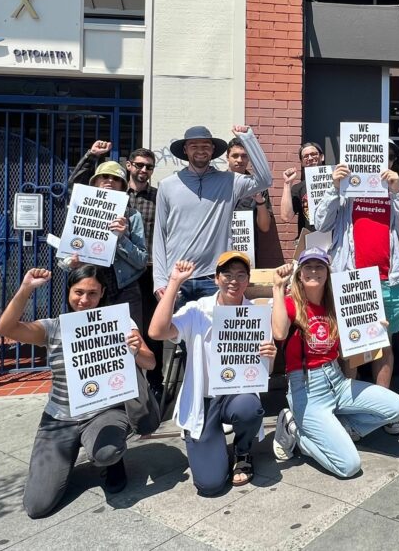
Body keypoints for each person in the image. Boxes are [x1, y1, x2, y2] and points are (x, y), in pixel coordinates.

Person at [0, 266, 155, 518]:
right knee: (37, 506)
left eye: (92, 293)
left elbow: (150, 363)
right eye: (78, 292)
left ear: (102, 292)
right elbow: (6, 329)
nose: (84, 299)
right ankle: (65, 458)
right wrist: (26, 288)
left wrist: (137, 350)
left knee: (106, 452)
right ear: (69, 291)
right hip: (59, 418)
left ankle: (111, 461)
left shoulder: (119, 322)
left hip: (103, 412)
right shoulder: (54, 327)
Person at [270, 248, 399, 477]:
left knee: (397, 407)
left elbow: (346, 352)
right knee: (349, 466)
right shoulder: (291, 303)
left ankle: (343, 429)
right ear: (300, 273)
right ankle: (296, 431)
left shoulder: (335, 305)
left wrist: (373, 331)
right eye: (308, 266)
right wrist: (276, 287)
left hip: (338, 382)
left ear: (327, 272)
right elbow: (280, 332)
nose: (314, 271)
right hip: (307, 389)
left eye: (320, 266)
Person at [148, 251, 276, 495]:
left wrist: (270, 355)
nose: (233, 280)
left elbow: (264, 372)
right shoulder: (197, 310)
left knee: (249, 409)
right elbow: (156, 331)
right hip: (203, 401)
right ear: (216, 279)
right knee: (210, 484)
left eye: (241, 275)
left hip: (236, 396)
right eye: (227, 274)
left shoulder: (255, 316)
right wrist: (174, 282)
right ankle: (207, 443)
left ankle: (242, 450)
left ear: (248, 281)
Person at [314, 141, 399, 435]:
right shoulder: (346, 191)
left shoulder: (394, 192)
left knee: (384, 345)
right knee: (352, 347)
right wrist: (334, 188)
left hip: (389, 281)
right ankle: (349, 409)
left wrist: (397, 192)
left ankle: (384, 410)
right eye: (377, 155)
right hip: (353, 281)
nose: (382, 161)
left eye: (389, 156)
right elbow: (320, 222)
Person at [152, 125, 271, 308]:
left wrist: (248, 138)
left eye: (206, 146)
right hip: (177, 278)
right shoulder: (168, 185)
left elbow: (264, 180)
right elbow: (160, 234)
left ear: (213, 150)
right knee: (176, 335)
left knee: (216, 335)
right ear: (185, 150)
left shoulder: (229, 181)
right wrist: (160, 279)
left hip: (214, 278)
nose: (201, 150)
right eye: (194, 146)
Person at [67, 144, 148, 330]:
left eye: (116, 179)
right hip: (89, 290)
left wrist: (121, 238)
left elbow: (142, 260)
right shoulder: (81, 210)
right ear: (95, 182)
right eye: (104, 177)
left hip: (125, 290)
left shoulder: (132, 215)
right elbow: (65, 257)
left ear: (122, 186)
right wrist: (70, 263)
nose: (109, 181)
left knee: (129, 343)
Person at [124, 146, 164, 398]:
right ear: (129, 165)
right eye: (138, 165)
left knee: (152, 327)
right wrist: (92, 157)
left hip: (149, 271)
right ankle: (127, 380)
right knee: (125, 327)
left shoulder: (159, 197)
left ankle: (155, 380)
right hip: (120, 274)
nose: (143, 170)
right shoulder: (115, 194)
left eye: (148, 167)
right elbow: (76, 189)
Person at [226, 137, 272, 234]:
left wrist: (260, 202)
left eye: (244, 156)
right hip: (221, 247)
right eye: (235, 155)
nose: (239, 160)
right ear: (227, 157)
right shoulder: (217, 183)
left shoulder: (258, 186)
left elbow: (265, 227)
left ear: (249, 158)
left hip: (247, 246)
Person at [280, 141, 325, 236]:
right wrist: (287, 184)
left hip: (336, 241)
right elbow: (286, 217)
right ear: (301, 162)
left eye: (313, 154)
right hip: (310, 241)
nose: (310, 158)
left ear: (322, 157)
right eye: (305, 156)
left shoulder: (336, 182)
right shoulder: (298, 188)